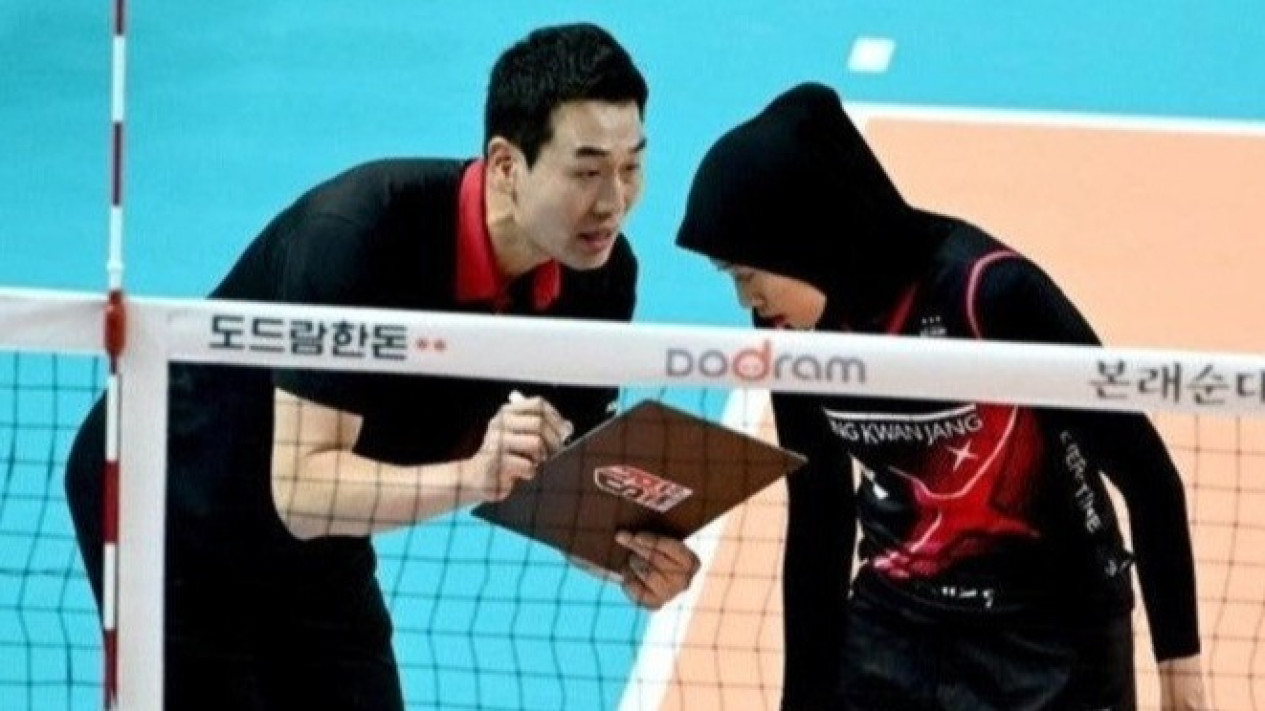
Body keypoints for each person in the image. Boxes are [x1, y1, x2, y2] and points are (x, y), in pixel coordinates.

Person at [66, 23, 699, 710]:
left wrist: (625, 555)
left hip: (326, 533)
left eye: (631, 167)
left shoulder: (597, 277)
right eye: (586, 171)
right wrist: (473, 476)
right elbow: (301, 491)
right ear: (506, 164)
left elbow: (557, 480)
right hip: (172, 505)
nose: (613, 202)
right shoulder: (358, 235)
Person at [675, 82, 1208, 710]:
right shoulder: (791, 328)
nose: (747, 299)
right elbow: (820, 512)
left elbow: (1148, 476)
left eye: (747, 274)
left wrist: (1181, 681)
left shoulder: (989, 293)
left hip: (1050, 635)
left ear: (805, 238)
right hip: (897, 624)